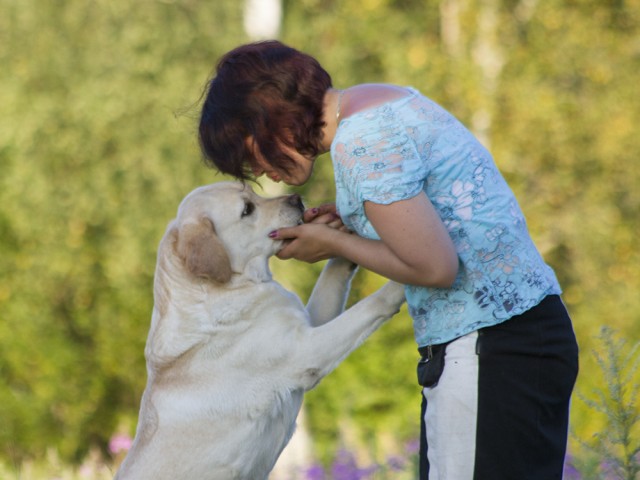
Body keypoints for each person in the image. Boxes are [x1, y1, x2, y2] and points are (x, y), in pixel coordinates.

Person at [198, 40, 579, 479]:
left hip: (490, 348)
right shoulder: (377, 101)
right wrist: (354, 222)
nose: (262, 172)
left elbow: (436, 268)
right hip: (524, 339)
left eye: (252, 154)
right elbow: (435, 216)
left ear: (272, 117)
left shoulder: (361, 145)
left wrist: (334, 244)